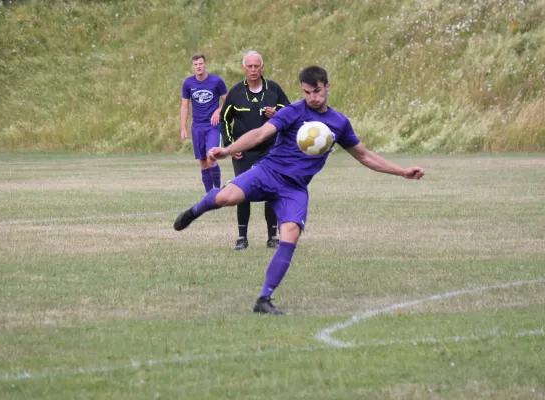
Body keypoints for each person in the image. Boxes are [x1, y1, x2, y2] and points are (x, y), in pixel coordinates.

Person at [174, 66, 425, 315]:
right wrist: (227, 150)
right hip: (268, 171)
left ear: (327, 87)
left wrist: (401, 171)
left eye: (317, 91)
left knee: (290, 234)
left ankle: (264, 299)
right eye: (307, 92)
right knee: (226, 198)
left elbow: (365, 156)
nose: (312, 98)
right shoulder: (294, 111)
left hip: (294, 188)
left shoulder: (338, 123)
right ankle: (195, 210)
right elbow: (261, 133)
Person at [220, 50, 290, 250]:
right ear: (243, 68)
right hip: (243, 153)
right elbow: (224, 120)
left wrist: (277, 114)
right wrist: (230, 145)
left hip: (270, 151)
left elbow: (290, 113)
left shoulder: (274, 90)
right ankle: (242, 238)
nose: (253, 70)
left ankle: (272, 237)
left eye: (256, 66)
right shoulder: (235, 92)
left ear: (262, 67)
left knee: (271, 191)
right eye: (249, 66)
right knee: (242, 192)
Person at [181, 53, 228, 192]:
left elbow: (229, 101)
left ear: (205, 64)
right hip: (197, 127)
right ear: (193, 66)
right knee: (203, 161)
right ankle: (209, 195)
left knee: (211, 155)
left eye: (200, 64)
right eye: (195, 65)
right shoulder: (188, 83)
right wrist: (183, 127)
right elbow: (184, 106)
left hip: (213, 126)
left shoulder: (216, 81)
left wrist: (219, 110)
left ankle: (218, 191)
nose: (198, 67)